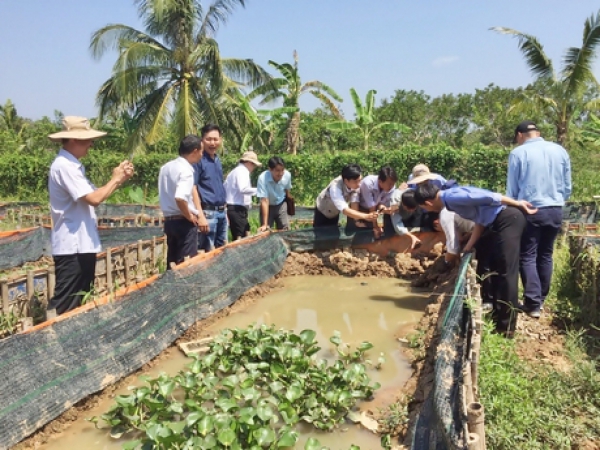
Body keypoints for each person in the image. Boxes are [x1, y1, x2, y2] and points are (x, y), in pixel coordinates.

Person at [413, 182, 537, 337]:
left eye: (425, 208)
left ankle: (506, 328)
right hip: (499, 222)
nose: (427, 211)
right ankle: (497, 316)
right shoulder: (450, 201)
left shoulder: (452, 198)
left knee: (507, 271)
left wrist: (518, 203)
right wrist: (469, 245)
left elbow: (490, 196)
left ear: (428, 203)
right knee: (498, 269)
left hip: (508, 218)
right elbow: (480, 219)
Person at [47, 116, 134, 315]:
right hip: (72, 246)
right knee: (65, 303)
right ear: (74, 140)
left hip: (81, 244)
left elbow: (98, 195)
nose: (91, 144)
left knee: (79, 300)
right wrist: (115, 178)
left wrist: (119, 179)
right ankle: (49, 340)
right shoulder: (65, 166)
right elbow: (94, 199)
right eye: (87, 140)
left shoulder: (73, 166)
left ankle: (69, 341)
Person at [507, 120, 572, 319]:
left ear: (519, 135)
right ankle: (540, 299)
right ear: (538, 132)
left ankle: (532, 303)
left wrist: (514, 207)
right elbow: (567, 186)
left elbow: (512, 189)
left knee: (527, 255)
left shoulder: (518, 153)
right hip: (555, 209)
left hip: (530, 209)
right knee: (545, 254)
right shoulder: (559, 150)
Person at [158, 135, 204, 268]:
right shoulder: (187, 171)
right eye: (201, 151)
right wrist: (189, 216)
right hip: (183, 221)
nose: (201, 155)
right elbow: (180, 197)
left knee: (172, 261)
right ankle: (186, 289)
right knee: (186, 263)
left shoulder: (166, 167)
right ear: (195, 151)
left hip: (170, 221)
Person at [313, 163, 379, 227]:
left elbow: (354, 202)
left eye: (360, 180)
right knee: (320, 233)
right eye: (356, 181)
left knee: (334, 233)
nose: (359, 184)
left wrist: (357, 221)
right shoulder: (335, 188)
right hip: (322, 211)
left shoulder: (356, 185)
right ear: (346, 181)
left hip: (335, 213)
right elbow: (344, 210)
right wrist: (366, 216)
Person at [194, 124, 226, 252]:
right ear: (202, 140)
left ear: (220, 140)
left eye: (215, 139)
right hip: (208, 213)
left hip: (222, 212)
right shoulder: (199, 160)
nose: (212, 143)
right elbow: (193, 188)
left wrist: (225, 209)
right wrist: (200, 215)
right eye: (209, 139)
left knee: (222, 251)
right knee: (207, 253)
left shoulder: (217, 160)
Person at [224, 151, 261, 240]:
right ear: (249, 162)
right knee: (240, 238)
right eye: (253, 165)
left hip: (236, 208)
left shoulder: (236, 171)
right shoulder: (242, 171)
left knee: (243, 234)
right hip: (236, 208)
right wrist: (261, 190)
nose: (254, 168)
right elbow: (243, 189)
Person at [355, 165, 397, 238]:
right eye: (390, 184)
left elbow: (380, 205)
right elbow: (372, 207)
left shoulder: (391, 187)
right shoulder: (367, 183)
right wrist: (376, 226)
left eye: (393, 184)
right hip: (359, 209)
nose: (392, 186)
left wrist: (386, 209)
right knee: (356, 232)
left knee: (373, 234)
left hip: (374, 210)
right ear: (380, 181)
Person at [256, 157, 292, 232]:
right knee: (266, 231)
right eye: (277, 171)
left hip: (281, 205)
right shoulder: (262, 178)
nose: (281, 173)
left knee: (285, 231)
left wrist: (290, 203)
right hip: (268, 206)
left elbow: (287, 190)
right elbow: (264, 200)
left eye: (282, 170)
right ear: (270, 169)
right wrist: (265, 224)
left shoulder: (287, 175)